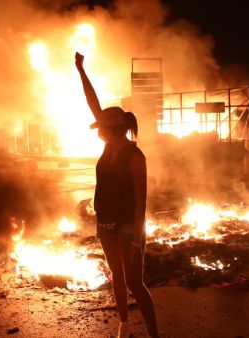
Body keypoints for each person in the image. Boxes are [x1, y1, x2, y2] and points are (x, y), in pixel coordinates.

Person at [75, 52, 159, 338]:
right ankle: (124, 325)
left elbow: (142, 201)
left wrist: (137, 237)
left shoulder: (135, 156)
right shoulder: (109, 147)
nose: (102, 124)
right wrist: (80, 70)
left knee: (135, 281)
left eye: (109, 121)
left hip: (128, 225)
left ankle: (154, 334)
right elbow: (92, 103)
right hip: (106, 221)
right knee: (117, 277)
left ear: (119, 126)